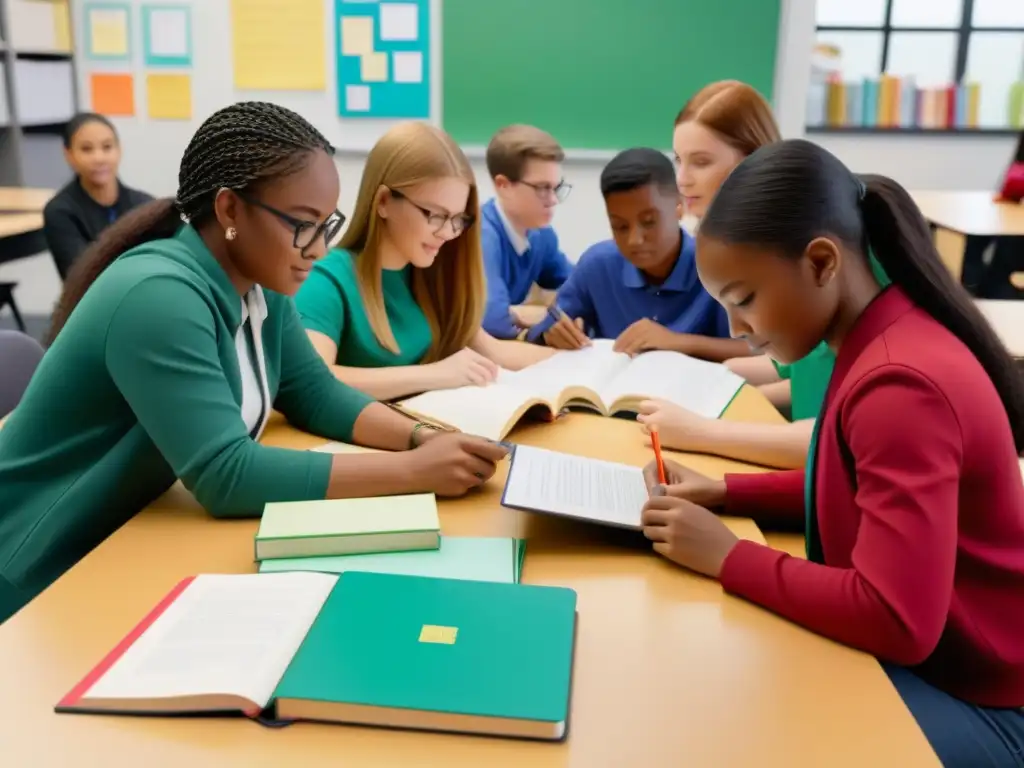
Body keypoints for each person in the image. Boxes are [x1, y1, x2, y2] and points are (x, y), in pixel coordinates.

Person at [0, 102, 507, 626]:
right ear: (229, 211)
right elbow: (226, 475)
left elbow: (313, 392)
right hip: (35, 569)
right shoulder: (159, 297)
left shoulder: (261, 284)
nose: (317, 248)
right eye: (302, 225)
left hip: (123, 536)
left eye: (325, 226)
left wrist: (421, 437)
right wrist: (412, 472)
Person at [640, 139, 1024, 767]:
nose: (737, 329)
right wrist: (725, 492)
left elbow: (895, 617)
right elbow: (856, 488)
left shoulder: (901, 381)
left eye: (743, 299)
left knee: (741, 727)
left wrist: (729, 555)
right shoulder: (880, 335)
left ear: (821, 261)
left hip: (984, 701)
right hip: (949, 669)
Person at [639, 80, 888, 469]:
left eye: (701, 161)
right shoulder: (785, 252)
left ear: (752, 160)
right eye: (678, 160)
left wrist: (702, 430)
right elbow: (796, 376)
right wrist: (706, 387)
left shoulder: (815, 261)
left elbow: (842, 436)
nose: (683, 179)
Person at [295, 121, 556, 402]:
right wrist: (434, 375)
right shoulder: (325, 281)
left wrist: (585, 365)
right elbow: (312, 380)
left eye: (458, 219)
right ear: (383, 201)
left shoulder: (432, 275)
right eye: (435, 215)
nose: (448, 233)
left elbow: (494, 352)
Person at [527, 147, 748, 363]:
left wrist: (679, 342)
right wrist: (551, 333)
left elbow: (761, 351)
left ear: (679, 206)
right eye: (620, 226)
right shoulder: (597, 265)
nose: (634, 239)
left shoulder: (718, 267)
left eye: (649, 222)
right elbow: (546, 328)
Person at [479, 124, 573, 339]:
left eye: (556, 187)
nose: (552, 200)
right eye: (542, 188)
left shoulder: (541, 234)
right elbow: (493, 323)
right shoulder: (482, 236)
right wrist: (546, 315)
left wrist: (521, 313)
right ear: (503, 185)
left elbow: (581, 288)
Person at [43, 112, 153, 280]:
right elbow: (82, 277)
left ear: (119, 150)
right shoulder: (59, 212)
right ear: (69, 154)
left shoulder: (146, 205)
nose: (99, 158)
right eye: (86, 149)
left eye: (107, 147)